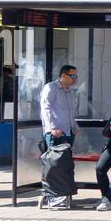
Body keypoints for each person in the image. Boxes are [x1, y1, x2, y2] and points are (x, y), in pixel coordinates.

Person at [38, 65, 79, 209]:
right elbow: (46, 109)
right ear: (63, 75)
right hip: (55, 133)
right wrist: (51, 128)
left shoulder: (69, 92)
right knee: (54, 165)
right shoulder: (51, 88)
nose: (75, 79)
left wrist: (74, 127)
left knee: (65, 165)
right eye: (72, 76)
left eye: (75, 76)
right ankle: (53, 196)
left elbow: (70, 112)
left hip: (68, 132)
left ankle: (63, 194)